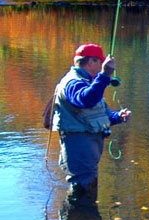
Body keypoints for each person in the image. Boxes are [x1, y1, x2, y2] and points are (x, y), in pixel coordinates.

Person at [52, 43, 131, 206]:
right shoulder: (72, 82)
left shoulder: (88, 82)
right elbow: (86, 100)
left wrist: (118, 117)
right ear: (90, 62)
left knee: (87, 187)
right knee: (82, 189)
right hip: (78, 144)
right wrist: (105, 75)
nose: (102, 67)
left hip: (87, 145)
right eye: (100, 63)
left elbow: (98, 112)